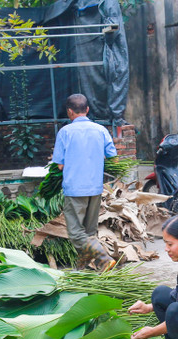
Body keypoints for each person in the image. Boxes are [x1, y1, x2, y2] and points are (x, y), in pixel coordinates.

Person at [52, 93, 118, 271]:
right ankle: (80, 269)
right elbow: (113, 158)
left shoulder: (65, 132)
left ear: (69, 112)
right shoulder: (101, 130)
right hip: (95, 188)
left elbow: (59, 166)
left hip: (75, 189)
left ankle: (104, 258)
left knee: (75, 234)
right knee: (88, 234)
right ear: (87, 109)